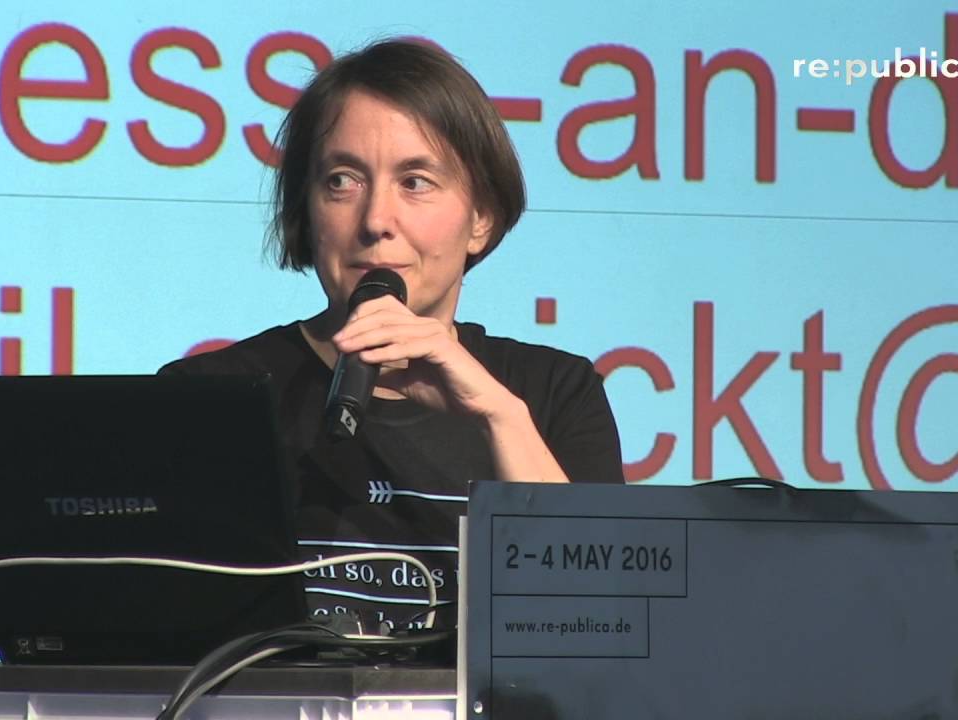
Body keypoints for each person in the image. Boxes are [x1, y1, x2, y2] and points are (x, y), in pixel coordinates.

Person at [160, 39, 623, 629]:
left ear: (481, 218)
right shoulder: (209, 395)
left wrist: (498, 416)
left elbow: (599, 624)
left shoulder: (554, 393)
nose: (376, 220)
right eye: (342, 181)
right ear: (306, 209)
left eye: (416, 182)